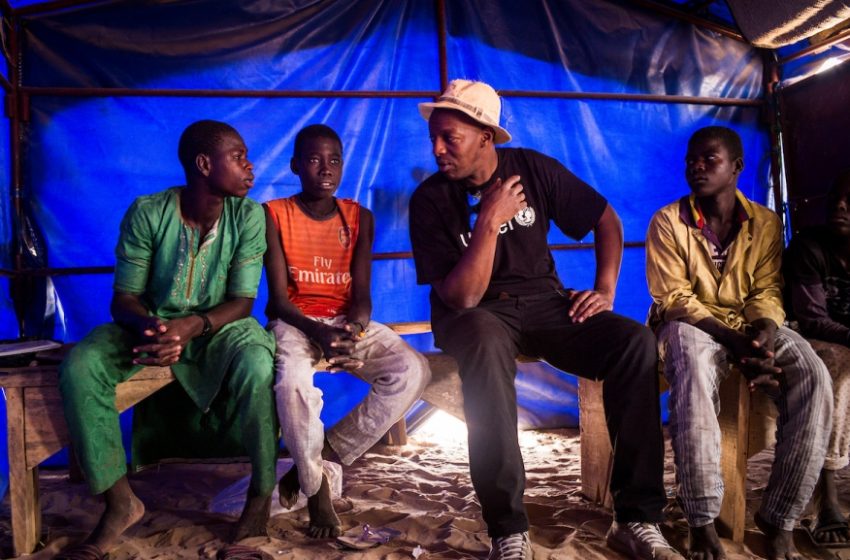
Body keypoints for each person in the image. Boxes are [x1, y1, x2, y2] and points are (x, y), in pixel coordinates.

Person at [408, 79, 683, 560]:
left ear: (485, 137)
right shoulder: (430, 199)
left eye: (449, 137)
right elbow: (464, 296)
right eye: (434, 137)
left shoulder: (534, 170)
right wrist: (489, 219)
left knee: (634, 342)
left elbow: (606, 220)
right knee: (484, 340)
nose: (437, 149)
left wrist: (605, 290)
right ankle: (508, 530)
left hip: (545, 303)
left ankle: (636, 519)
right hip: (473, 312)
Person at [57, 120, 278, 560]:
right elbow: (124, 300)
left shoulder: (250, 215)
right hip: (151, 327)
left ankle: (259, 493)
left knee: (257, 362)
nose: (250, 168)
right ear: (203, 164)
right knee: (80, 366)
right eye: (238, 157)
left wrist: (192, 326)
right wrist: (153, 329)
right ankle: (120, 503)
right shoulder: (148, 212)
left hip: (219, 328)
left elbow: (242, 302)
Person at [646, 125, 833, 560]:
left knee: (812, 374)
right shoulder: (668, 222)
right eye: (692, 159)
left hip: (745, 327)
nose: (696, 167)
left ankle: (780, 517)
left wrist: (765, 332)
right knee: (692, 372)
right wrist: (734, 340)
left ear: (737, 168)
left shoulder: (764, 223)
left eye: (709, 159)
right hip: (690, 326)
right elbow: (674, 300)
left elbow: (766, 290)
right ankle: (702, 520)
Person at [264, 124, 431, 539]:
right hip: (295, 323)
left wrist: (354, 328)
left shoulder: (359, 217)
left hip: (343, 324)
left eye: (334, 160)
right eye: (315, 160)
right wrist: (317, 334)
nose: (326, 169)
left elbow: (361, 297)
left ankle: (321, 461)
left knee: (412, 370)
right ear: (295, 166)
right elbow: (279, 303)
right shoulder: (273, 214)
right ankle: (317, 493)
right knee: (291, 387)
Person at [784, 168, 850, 547]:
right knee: (838, 369)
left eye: (849, 201)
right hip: (815, 337)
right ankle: (827, 493)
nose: (839, 206)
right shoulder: (810, 247)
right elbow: (813, 319)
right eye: (835, 199)